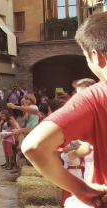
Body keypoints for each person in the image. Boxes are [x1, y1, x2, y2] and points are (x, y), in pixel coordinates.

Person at [22, 13, 107, 207]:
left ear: (95, 56)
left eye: (85, 56)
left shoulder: (95, 98)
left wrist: (81, 189)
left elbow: (34, 146)